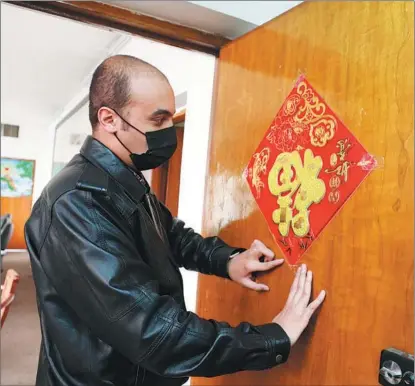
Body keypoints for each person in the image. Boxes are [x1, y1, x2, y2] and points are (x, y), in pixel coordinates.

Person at [25, 55, 326, 386]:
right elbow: (150, 330)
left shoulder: (123, 178)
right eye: (158, 121)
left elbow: (168, 234)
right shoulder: (78, 203)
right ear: (109, 119)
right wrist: (272, 338)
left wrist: (227, 260)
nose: (169, 133)